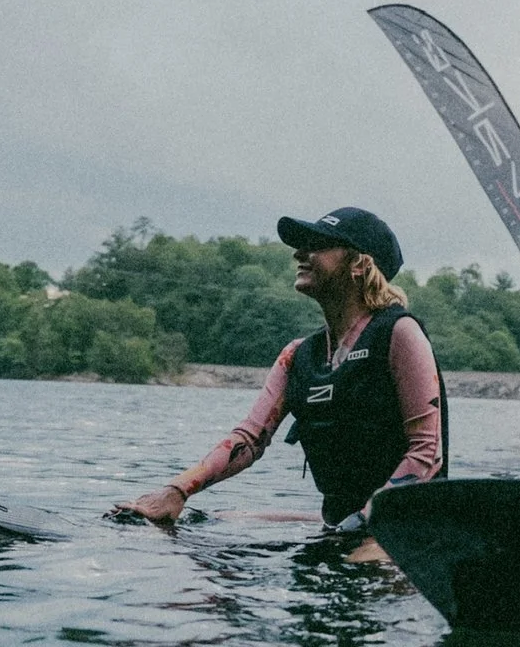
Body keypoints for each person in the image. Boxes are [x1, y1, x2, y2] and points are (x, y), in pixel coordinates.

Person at [113, 207, 446, 533]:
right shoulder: (298, 355)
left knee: (360, 566)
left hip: (405, 528)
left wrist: (366, 523)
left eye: (317, 245)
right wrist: (176, 491)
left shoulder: (400, 333)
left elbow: (427, 453)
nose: (300, 253)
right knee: (216, 519)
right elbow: (248, 440)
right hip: (340, 522)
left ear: (359, 263)